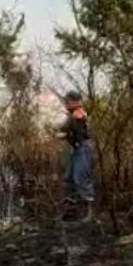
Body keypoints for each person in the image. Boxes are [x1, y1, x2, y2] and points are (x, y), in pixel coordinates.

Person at [56, 91, 95, 222]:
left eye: (67, 102)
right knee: (68, 179)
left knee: (81, 178)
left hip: (83, 148)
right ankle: (70, 211)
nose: (65, 104)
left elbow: (78, 132)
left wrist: (64, 135)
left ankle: (89, 213)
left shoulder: (79, 113)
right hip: (77, 149)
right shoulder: (74, 114)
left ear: (74, 101)